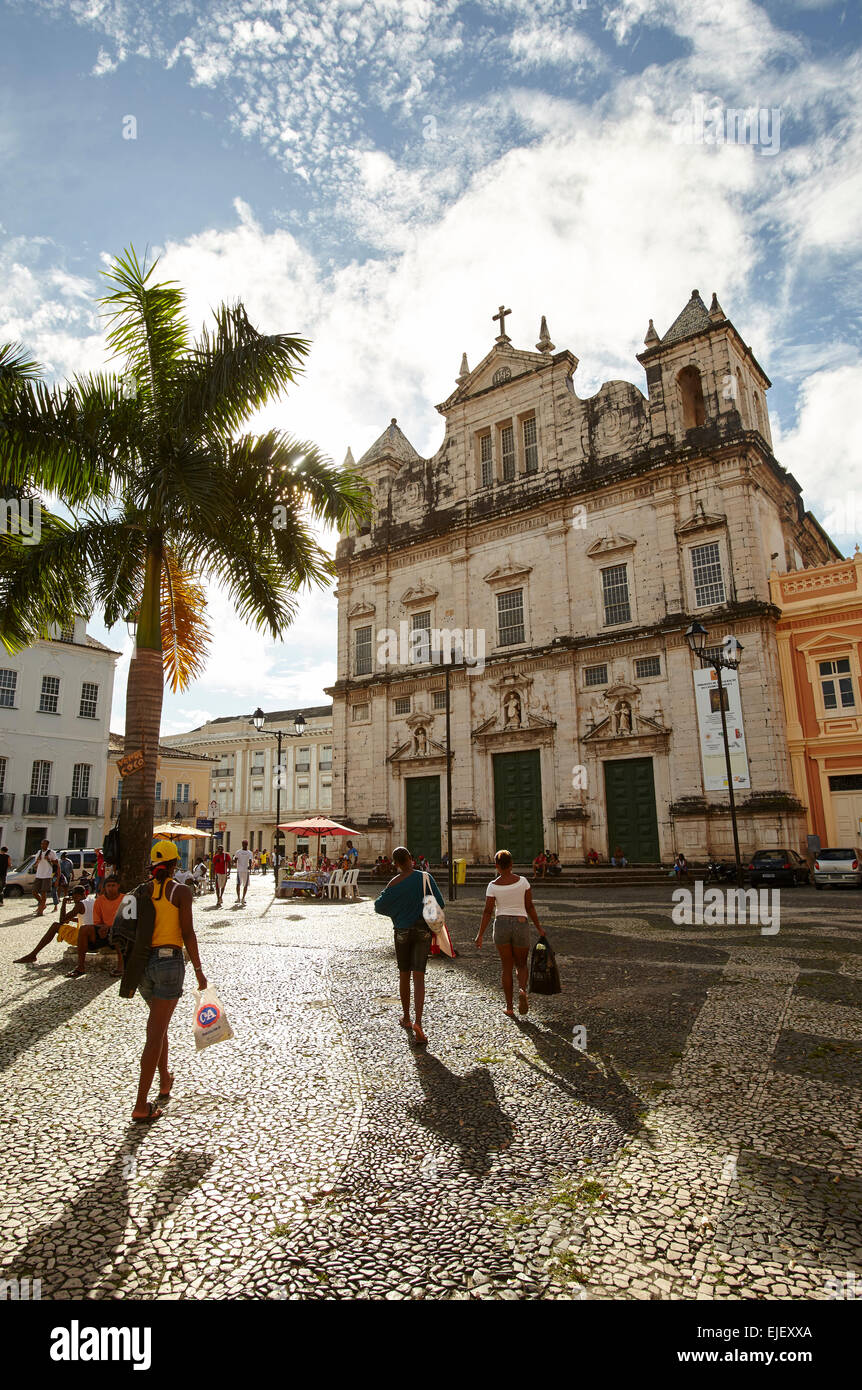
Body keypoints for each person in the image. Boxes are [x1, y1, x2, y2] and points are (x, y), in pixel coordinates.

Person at [121, 840, 207, 1124]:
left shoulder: (143, 891)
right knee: (155, 1034)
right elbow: (188, 933)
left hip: (144, 966)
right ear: (174, 865)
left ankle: (165, 1079)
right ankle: (140, 1104)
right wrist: (198, 970)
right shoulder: (180, 891)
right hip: (169, 963)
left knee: (159, 1027)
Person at [374, 846, 444, 1045]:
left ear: (395, 864)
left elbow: (379, 906)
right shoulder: (425, 878)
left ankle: (406, 1018)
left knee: (404, 974)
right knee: (419, 977)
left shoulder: (394, 882)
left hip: (402, 931)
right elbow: (440, 903)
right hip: (423, 931)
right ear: (411, 859)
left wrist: (397, 913)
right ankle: (419, 1022)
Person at [475, 849, 546, 1018]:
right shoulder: (523, 882)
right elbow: (530, 907)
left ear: (496, 866)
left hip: (501, 925)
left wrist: (480, 935)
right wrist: (539, 928)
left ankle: (509, 1007)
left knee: (506, 966)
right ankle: (522, 990)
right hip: (521, 923)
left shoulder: (492, 886)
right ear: (512, 864)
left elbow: (487, 912)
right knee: (521, 964)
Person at [15, 880, 94, 965]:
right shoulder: (92, 901)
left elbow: (61, 920)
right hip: (92, 935)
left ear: (82, 895)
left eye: (76, 897)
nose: (75, 900)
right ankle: (32, 954)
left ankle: (33, 954)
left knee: (55, 926)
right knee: (60, 925)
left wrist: (63, 904)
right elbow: (86, 918)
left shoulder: (80, 905)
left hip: (84, 938)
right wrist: (71, 919)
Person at [68, 874, 124, 978]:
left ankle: (121, 967)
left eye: (113, 885)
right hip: (104, 931)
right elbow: (97, 921)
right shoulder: (99, 901)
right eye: (109, 886)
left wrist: (110, 927)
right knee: (84, 929)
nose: (111, 888)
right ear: (105, 887)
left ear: (118, 886)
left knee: (117, 932)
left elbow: (127, 921)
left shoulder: (125, 900)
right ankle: (80, 967)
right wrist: (102, 928)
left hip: (120, 932)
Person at [31, 840, 59, 916]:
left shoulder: (51, 852)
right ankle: (42, 904)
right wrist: (37, 861)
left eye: (44, 844)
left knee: (43, 892)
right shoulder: (39, 852)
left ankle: (40, 911)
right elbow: (34, 865)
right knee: (34, 892)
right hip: (39, 875)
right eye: (42, 843)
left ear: (47, 844)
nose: (42, 845)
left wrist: (49, 860)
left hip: (47, 875)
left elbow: (56, 863)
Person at [235, 839, 254, 904]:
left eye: (245, 844)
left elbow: (250, 860)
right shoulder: (238, 852)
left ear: (247, 845)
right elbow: (235, 859)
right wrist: (234, 860)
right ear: (242, 844)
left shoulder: (249, 853)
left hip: (246, 870)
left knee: (245, 885)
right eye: (243, 844)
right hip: (239, 870)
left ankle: (243, 898)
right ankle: (238, 897)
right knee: (238, 884)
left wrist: (250, 866)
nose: (244, 845)